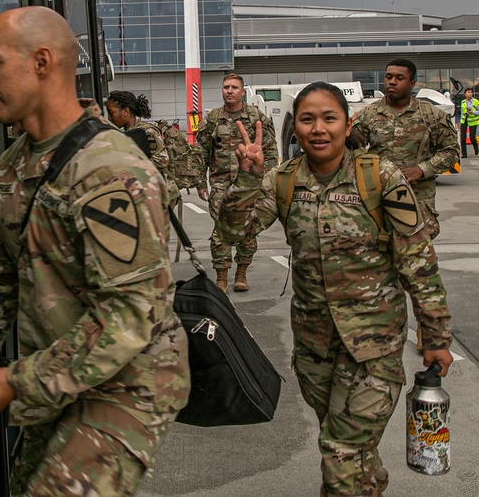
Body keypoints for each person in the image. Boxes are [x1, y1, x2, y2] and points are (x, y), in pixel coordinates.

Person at [0, 6, 189, 496]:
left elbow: (129, 315)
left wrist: (16, 382)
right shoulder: (14, 166)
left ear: (41, 62)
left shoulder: (110, 171)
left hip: (129, 383)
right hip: (59, 377)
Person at [219, 81, 453, 495]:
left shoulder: (380, 176)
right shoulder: (282, 181)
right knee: (354, 452)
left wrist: (434, 335)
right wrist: (246, 179)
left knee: (341, 450)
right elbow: (234, 232)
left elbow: (418, 259)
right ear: (296, 129)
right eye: (307, 119)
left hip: (374, 345)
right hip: (314, 347)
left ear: (348, 125)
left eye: (329, 118)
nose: (318, 129)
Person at [351, 58, 459, 240]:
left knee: (416, 254)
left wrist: (422, 170)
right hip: (378, 198)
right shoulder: (369, 114)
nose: (392, 81)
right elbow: (350, 147)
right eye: (388, 77)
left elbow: (451, 151)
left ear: (412, 83)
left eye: (399, 78)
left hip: (417, 198)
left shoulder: (431, 115)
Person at [195, 72, 278, 292]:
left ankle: (241, 272)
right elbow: (202, 151)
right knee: (221, 230)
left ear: (243, 91)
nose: (229, 91)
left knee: (247, 229)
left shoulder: (256, 118)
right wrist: (200, 182)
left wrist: (267, 182)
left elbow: (270, 151)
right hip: (222, 185)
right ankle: (221, 276)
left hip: (251, 184)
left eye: (234, 87)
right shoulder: (213, 119)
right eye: (225, 87)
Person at [105, 90, 181, 206]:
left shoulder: (147, 131)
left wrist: (133, 169)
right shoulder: (128, 132)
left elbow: (162, 160)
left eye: (111, 112)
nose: (110, 118)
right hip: (148, 191)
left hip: (161, 192)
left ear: (126, 111)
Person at [459, 87, 479, 157]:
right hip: (464, 120)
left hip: (472, 121)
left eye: (471, 92)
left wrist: (473, 112)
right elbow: (462, 112)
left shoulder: (475, 101)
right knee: (463, 138)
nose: (470, 94)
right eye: (468, 92)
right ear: (465, 94)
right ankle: (464, 154)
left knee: (472, 137)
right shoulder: (462, 102)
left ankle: (476, 147)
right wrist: (460, 122)